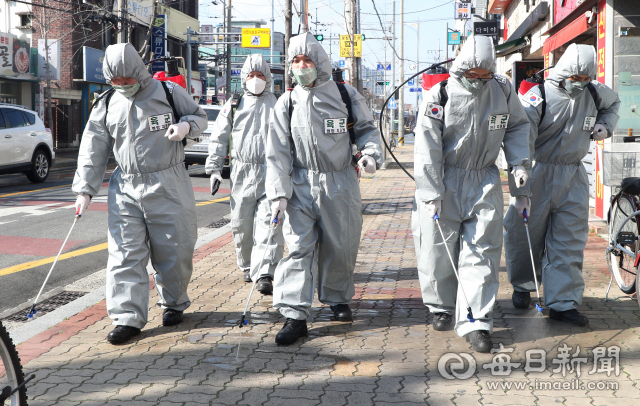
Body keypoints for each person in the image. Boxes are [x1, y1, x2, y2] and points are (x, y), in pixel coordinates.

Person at [72, 43, 208, 344]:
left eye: (127, 80)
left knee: (175, 249)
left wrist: (185, 126)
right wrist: (85, 189)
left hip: (168, 181)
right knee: (124, 253)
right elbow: (93, 147)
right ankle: (127, 317)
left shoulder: (168, 92)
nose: (122, 86)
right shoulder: (107, 103)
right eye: (115, 81)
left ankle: (174, 302)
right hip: (126, 186)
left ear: (138, 72)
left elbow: (200, 116)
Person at [412, 35, 531, 353]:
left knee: (483, 251)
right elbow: (426, 144)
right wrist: (431, 189)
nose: (478, 81)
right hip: (446, 177)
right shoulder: (440, 93)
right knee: (437, 250)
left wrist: (519, 165)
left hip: (484, 178)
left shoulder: (502, 90)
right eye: (472, 75)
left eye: (484, 75)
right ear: (461, 68)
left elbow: (518, 126)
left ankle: (475, 320)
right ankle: (441, 305)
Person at [266, 33, 382, 345]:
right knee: (298, 248)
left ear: (320, 63)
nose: (301, 66)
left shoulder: (345, 95)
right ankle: (294, 315)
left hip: (339, 181)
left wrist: (369, 155)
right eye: (296, 61)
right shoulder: (287, 102)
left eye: (307, 61)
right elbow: (276, 151)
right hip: (300, 184)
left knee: (340, 245)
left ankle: (337, 298)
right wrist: (278, 192)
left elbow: (367, 129)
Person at [504, 44, 620, 326]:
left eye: (584, 77)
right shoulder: (539, 96)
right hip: (538, 171)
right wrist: (520, 186)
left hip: (573, 174)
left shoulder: (593, 92)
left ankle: (563, 302)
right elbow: (520, 136)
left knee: (569, 239)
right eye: (575, 77)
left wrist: (606, 125)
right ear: (564, 71)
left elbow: (614, 103)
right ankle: (523, 285)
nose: (579, 83)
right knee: (525, 233)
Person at [205, 54, 282, 295]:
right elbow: (219, 136)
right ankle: (248, 265)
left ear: (268, 78)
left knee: (270, 224)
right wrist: (215, 169)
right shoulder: (234, 104)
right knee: (241, 224)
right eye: (251, 76)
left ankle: (266, 272)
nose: (256, 80)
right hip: (241, 171)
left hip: (272, 171)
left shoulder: (279, 104)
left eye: (260, 76)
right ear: (244, 78)